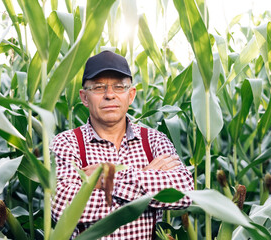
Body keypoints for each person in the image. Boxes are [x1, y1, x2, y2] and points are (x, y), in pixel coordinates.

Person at [50, 50, 194, 239]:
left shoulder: (154, 140)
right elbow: (63, 208)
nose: (109, 95)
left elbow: (184, 191)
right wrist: (147, 180)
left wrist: (108, 177)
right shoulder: (66, 143)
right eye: (99, 87)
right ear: (84, 97)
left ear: (131, 95)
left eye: (119, 87)